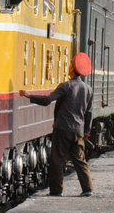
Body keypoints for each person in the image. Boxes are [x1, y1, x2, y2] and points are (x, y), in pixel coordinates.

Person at [19, 53, 94, 197]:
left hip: (63, 129)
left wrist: (29, 95)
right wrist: (86, 132)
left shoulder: (66, 86)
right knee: (80, 160)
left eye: (71, 64)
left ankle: (56, 190)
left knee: (57, 160)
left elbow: (48, 100)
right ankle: (87, 188)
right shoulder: (88, 89)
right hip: (78, 130)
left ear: (73, 69)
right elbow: (89, 113)